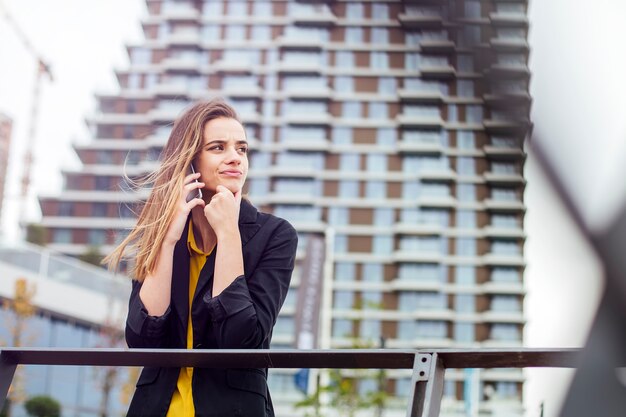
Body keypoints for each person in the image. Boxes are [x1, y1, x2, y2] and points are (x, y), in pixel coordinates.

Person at [104, 99, 298, 417]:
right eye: (218, 148)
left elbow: (241, 340)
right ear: (191, 161)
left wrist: (228, 234)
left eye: (242, 149)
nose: (235, 158)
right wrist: (166, 239)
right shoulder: (167, 233)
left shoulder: (275, 235)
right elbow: (142, 341)